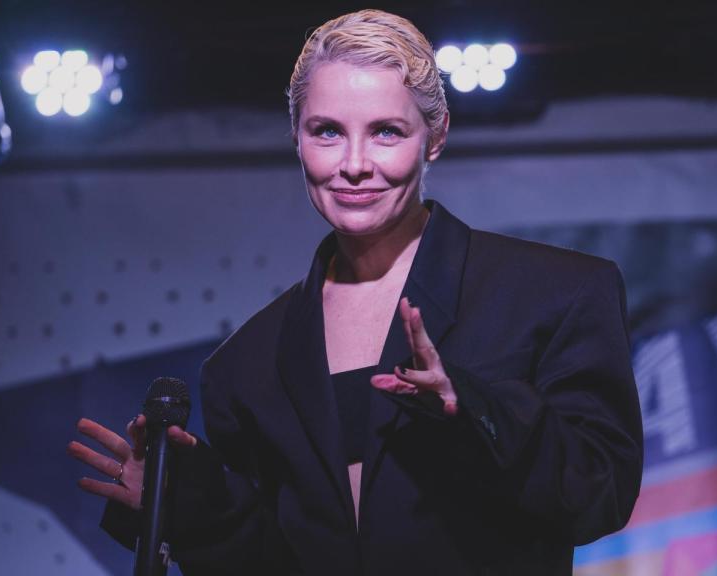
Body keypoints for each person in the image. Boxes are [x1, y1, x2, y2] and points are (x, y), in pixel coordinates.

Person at [69, 9, 643, 575]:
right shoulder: (246, 364)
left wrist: (471, 409)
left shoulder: (557, 294)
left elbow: (600, 496)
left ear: (435, 137)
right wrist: (189, 506)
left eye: (386, 132)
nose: (355, 165)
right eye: (327, 132)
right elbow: (268, 557)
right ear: (297, 138)